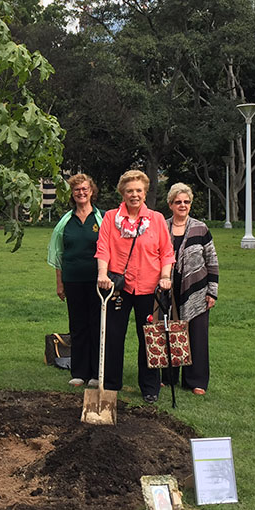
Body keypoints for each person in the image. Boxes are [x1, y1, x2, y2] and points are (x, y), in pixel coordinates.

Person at [96, 170, 174, 403]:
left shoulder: (157, 219)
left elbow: (167, 252)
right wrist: (102, 274)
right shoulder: (111, 217)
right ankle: (110, 383)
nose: (134, 195)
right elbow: (103, 248)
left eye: (139, 190)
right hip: (119, 286)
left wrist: (165, 276)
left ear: (145, 192)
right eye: (130, 190)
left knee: (149, 337)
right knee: (113, 335)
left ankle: (150, 387)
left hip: (149, 287)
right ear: (122, 193)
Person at [161, 183, 219, 395]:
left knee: (196, 335)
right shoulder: (162, 226)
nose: (182, 205)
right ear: (170, 204)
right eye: (178, 202)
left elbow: (211, 260)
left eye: (186, 202)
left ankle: (196, 381)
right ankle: (168, 378)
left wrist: (212, 291)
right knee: (169, 332)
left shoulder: (200, 228)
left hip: (196, 290)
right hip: (168, 290)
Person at [47, 173, 104, 387]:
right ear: (72, 193)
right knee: (78, 326)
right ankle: (79, 372)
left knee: (97, 326)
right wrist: (60, 284)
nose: (81, 192)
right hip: (72, 280)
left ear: (92, 191)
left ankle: (97, 373)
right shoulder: (65, 221)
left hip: (98, 282)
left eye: (85, 189)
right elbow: (59, 254)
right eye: (77, 189)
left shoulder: (102, 218)